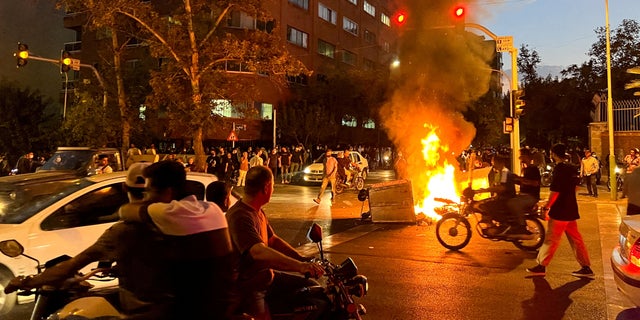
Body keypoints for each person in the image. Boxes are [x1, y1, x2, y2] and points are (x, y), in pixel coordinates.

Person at [3, 162, 179, 319]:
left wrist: (28, 282)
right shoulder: (178, 223)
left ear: (125, 189)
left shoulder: (123, 231)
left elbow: (71, 265)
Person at [118, 160, 236, 319]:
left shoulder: (168, 212)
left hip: (192, 310)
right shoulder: (213, 209)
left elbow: (125, 211)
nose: (147, 196)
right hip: (224, 303)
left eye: (150, 190)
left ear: (167, 191)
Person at [225, 166, 326, 320]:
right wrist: (299, 267)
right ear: (266, 187)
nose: (272, 189)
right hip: (252, 286)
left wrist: (302, 259)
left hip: (267, 278)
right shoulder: (240, 216)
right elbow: (258, 251)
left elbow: (272, 240)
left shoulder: (257, 210)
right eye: (272, 185)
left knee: (312, 290)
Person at [526, 143, 594, 279]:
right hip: (571, 209)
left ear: (554, 154)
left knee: (551, 239)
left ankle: (541, 266)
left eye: (551, 153)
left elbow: (555, 191)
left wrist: (547, 206)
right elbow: (576, 187)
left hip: (560, 211)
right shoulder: (571, 167)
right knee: (576, 239)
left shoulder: (559, 169)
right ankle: (586, 267)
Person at [470, 155, 517, 235]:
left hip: (505, 199)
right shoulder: (499, 173)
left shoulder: (505, 172)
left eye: (494, 162)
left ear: (500, 163)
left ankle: (499, 226)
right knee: (483, 204)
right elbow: (495, 187)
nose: (492, 165)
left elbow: (501, 188)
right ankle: (491, 226)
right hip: (499, 197)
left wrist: (485, 190)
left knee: (486, 206)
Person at [506, 149, 539, 238]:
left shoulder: (533, 169)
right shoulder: (524, 169)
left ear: (526, 157)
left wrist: (520, 179)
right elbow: (523, 183)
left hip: (531, 197)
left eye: (521, 156)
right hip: (523, 195)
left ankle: (522, 226)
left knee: (513, 203)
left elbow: (535, 183)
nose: (520, 158)